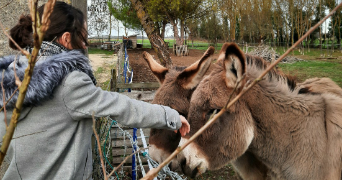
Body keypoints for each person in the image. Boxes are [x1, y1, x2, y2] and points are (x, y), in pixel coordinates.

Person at [0, 2, 190, 180]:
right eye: (82, 38)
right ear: (66, 39)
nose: (85, 44)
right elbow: (121, 107)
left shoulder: (10, 79)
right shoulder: (69, 83)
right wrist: (170, 116)